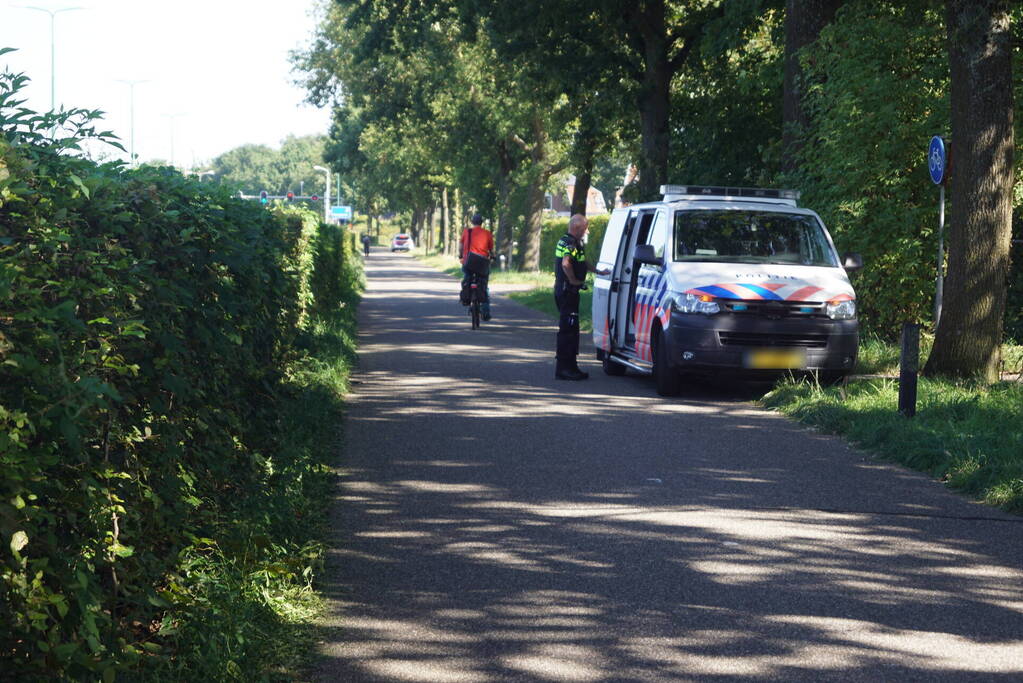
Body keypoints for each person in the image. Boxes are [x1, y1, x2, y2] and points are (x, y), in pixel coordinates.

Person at [553, 213, 605, 380]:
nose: (587, 231)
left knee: (572, 330)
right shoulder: (571, 243)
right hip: (568, 292)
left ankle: (572, 367)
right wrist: (574, 281)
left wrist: (598, 271)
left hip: (566, 291)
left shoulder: (567, 241)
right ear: (577, 228)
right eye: (585, 228)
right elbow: (566, 263)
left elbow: (581, 262)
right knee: (568, 331)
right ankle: (564, 369)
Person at [460, 213, 495, 320]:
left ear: (472, 222)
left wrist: (460, 255)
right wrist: (493, 256)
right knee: (484, 285)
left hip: (468, 262)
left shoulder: (466, 232)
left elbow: (461, 246)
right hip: (482, 263)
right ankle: (486, 312)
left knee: (467, 279)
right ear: (482, 222)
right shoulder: (487, 233)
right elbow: (491, 249)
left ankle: (467, 297)